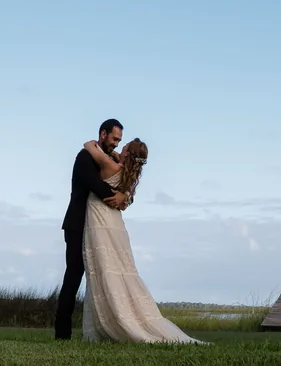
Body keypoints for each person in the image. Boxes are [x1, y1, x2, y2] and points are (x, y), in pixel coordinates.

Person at [76, 134, 201, 343]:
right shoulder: (129, 177)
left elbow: (88, 145)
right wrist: (118, 156)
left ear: (127, 154)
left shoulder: (109, 164)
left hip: (99, 219)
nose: (119, 148)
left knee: (103, 267)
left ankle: (110, 322)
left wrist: (108, 151)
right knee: (120, 268)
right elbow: (127, 192)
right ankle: (121, 317)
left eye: (123, 147)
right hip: (115, 223)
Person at [54, 118, 127, 339]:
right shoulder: (85, 157)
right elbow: (96, 186)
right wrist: (120, 196)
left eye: (119, 140)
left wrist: (126, 195)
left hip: (98, 228)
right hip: (77, 225)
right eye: (114, 139)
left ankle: (105, 327)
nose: (116, 144)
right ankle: (62, 334)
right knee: (74, 276)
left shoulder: (108, 159)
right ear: (103, 134)